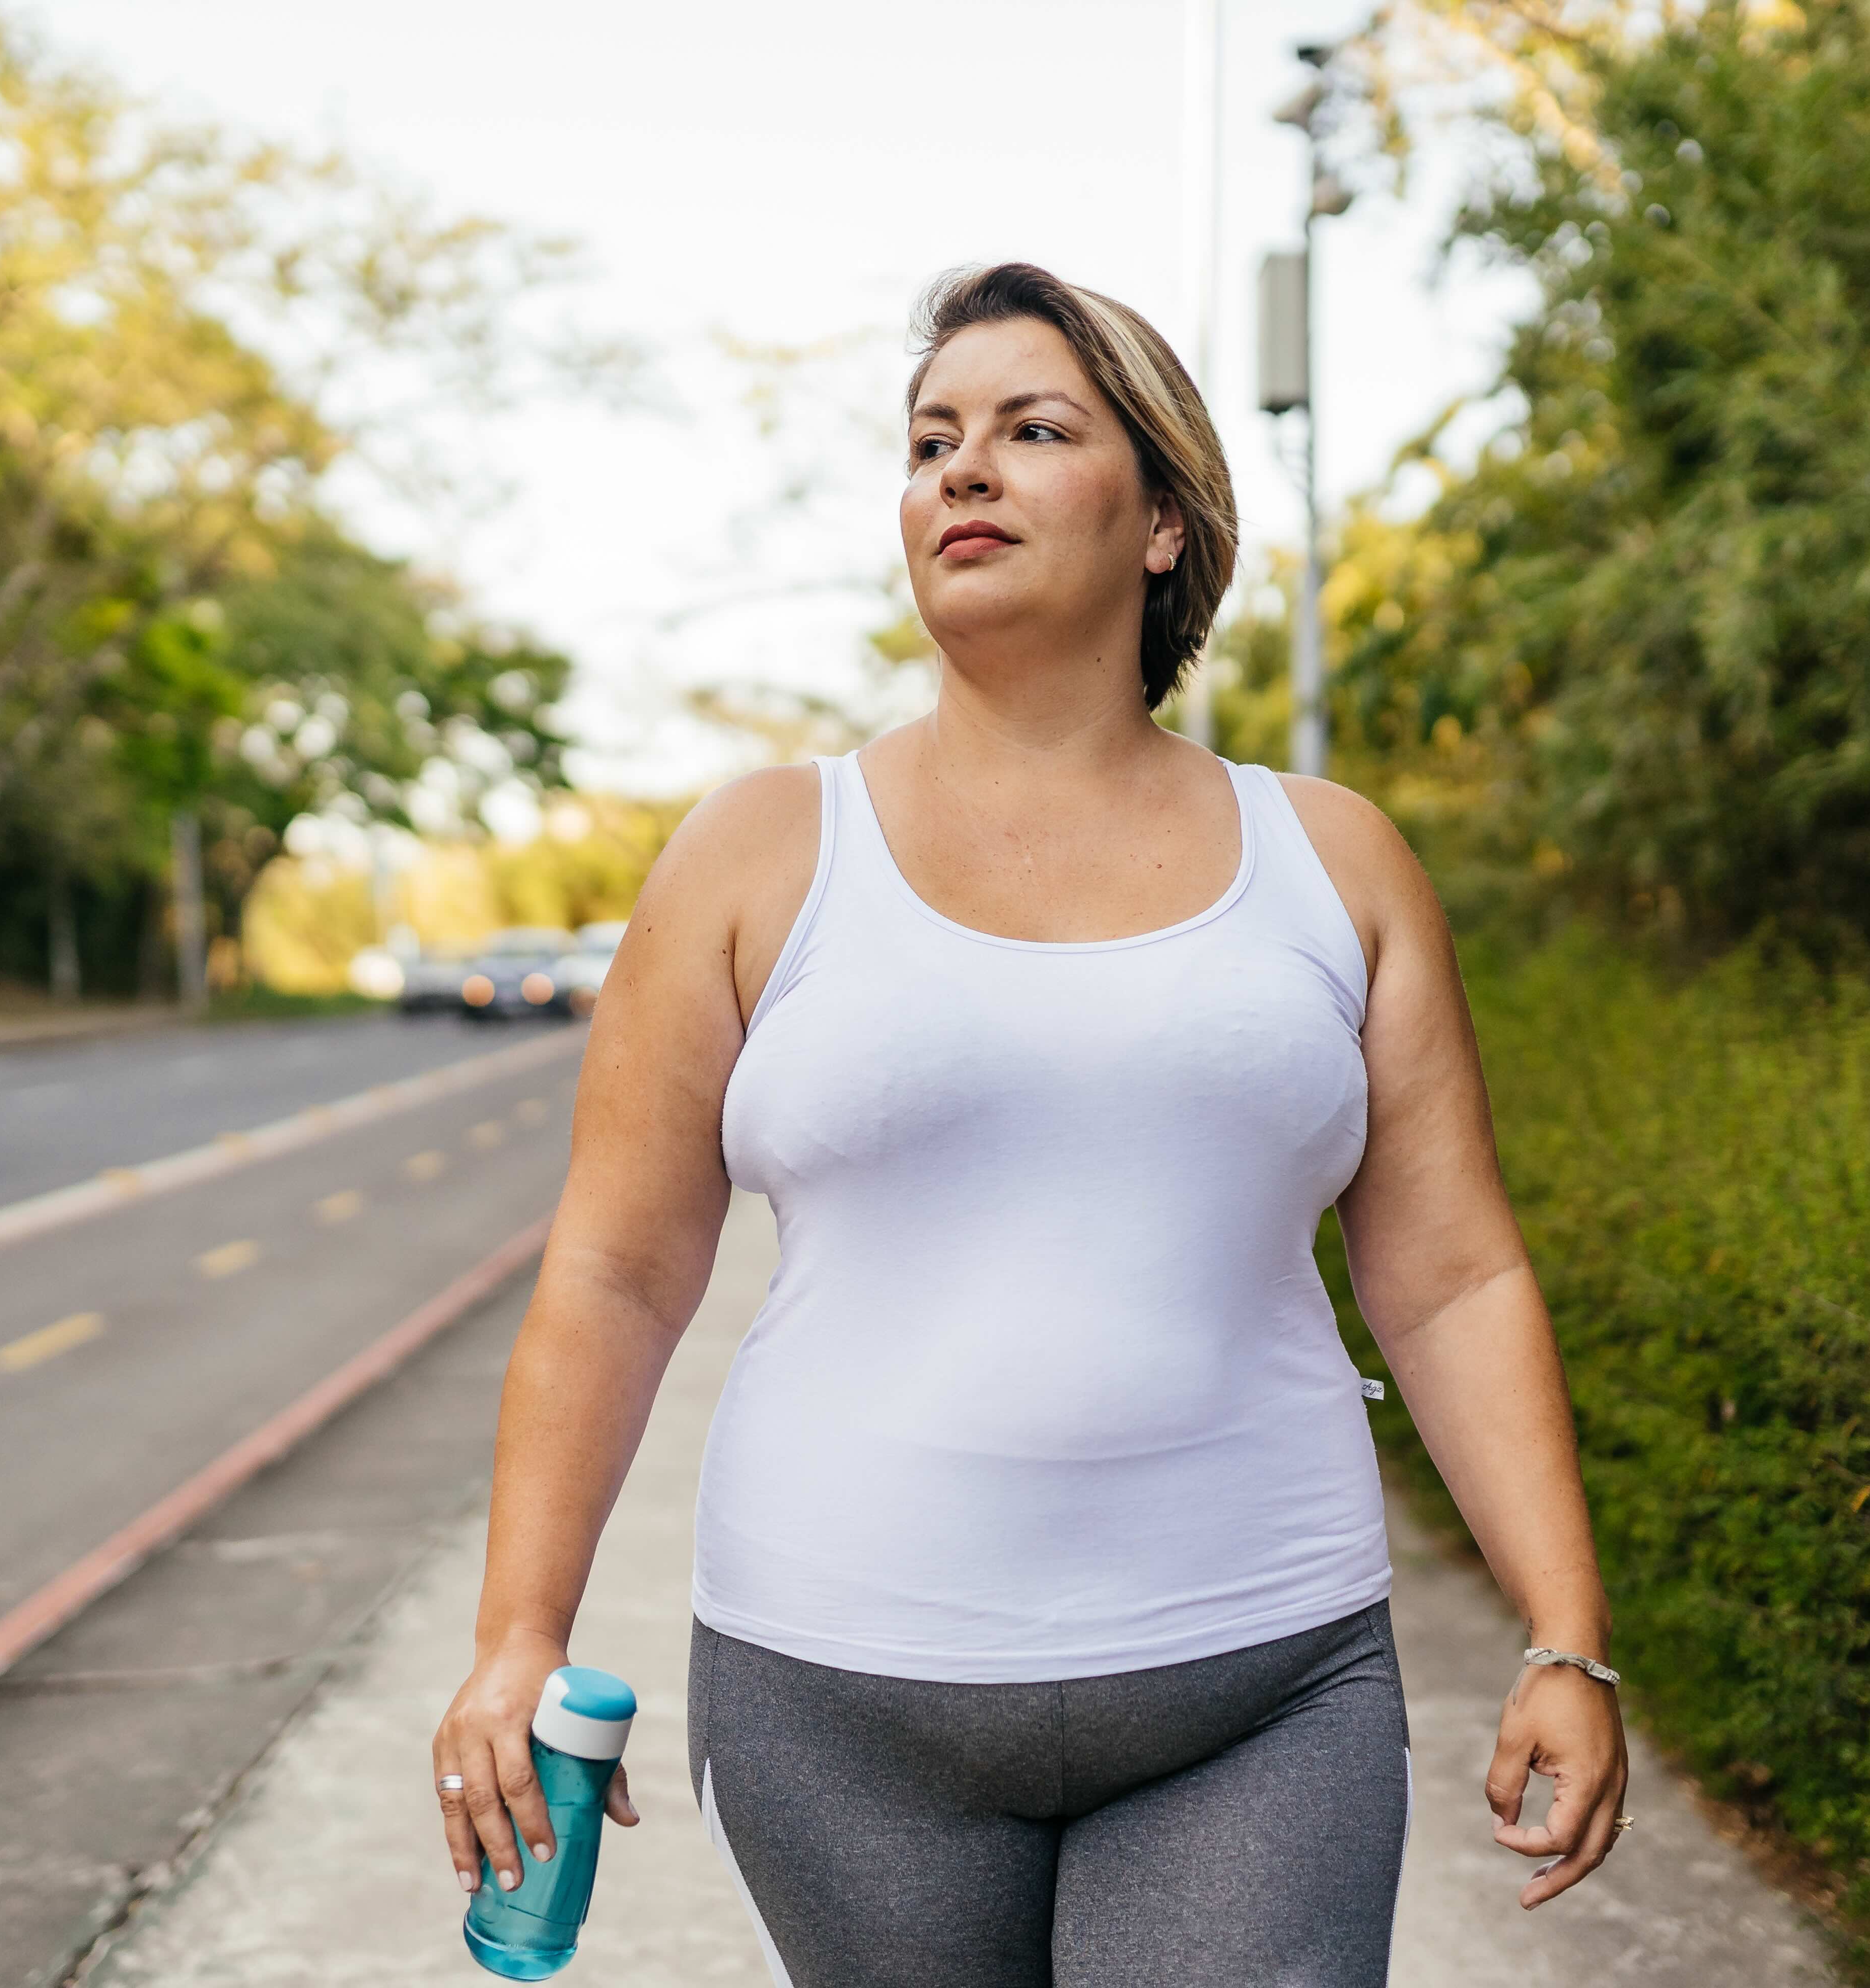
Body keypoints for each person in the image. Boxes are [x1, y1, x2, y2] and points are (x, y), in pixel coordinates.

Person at [432, 262, 1627, 1986]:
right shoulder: (760, 853)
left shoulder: (1337, 860)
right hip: (839, 1705)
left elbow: (1447, 1278)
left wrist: (1568, 1638)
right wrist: (515, 1637)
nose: (960, 474)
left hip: (1261, 1684)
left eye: (1032, 430)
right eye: (931, 444)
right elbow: (617, 1272)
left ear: (1163, 519)